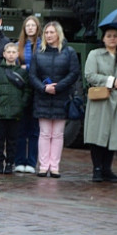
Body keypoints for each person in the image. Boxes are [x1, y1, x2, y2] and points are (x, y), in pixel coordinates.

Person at [29, 20, 80, 178]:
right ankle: (43, 166)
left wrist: (58, 87)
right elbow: (32, 75)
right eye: (46, 32)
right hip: (43, 97)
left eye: (52, 32)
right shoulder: (39, 53)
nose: (49, 35)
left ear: (58, 33)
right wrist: (44, 88)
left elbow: (73, 73)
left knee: (57, 134)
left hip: (61, 97)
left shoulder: (69, 52)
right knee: (44, 133)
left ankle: (55, 166)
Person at [83, 24, 117, 182]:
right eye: (109, 36)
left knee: (113, 135)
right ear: (103, 38)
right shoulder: (95, 54)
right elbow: (89, 75)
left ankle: (107, 169)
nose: (112, 39)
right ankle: (97, 168)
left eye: (115, 36)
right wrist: (110, 80)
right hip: (101, 99)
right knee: (97, 133)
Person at [0, 43, 31, 174]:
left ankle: (10, 162)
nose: (11, 54)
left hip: (15, 113)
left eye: (13, 52)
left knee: (13, 140)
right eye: (9, 52)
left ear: (17, 55)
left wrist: (21, 104)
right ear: (4, 54)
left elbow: (27, 90)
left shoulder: (22, 73)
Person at [13, 15, 42, 173]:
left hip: (37, 91)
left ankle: (31, 162)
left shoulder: (42, 46)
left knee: (34, 129)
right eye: (27, 25)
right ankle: (19, 161)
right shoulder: (18, 46)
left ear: (38, 28)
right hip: (21, 90)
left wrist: (29, 68)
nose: (30, 28)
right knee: (21, 128)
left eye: (33, 25)